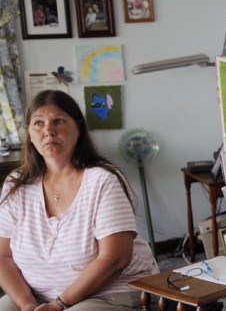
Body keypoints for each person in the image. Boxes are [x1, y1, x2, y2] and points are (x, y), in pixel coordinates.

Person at [0, 90, 158, 311]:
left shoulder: (103, 180)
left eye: (59, 121)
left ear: (78, 128)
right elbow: (3, 257)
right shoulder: (16, 184)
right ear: (29, 133)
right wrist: (27, 305)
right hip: (37, 295)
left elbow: (116, 259)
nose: (48, 131)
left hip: (110, 292)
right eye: (38, 123)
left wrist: (58, 305)